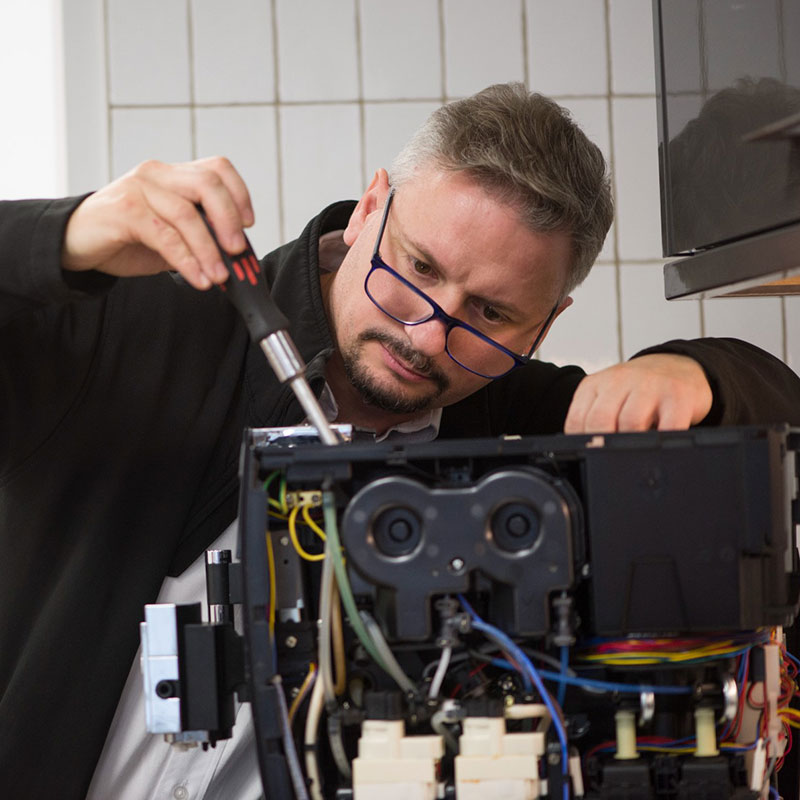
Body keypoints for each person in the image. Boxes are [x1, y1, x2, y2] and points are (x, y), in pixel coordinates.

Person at [2, 82, 799, 799]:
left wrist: (699, 373)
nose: (426, 333)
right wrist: (63, 238)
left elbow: (773, 407)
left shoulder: (515, 420)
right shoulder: (141, 328)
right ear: (369, 208)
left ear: (549, 320)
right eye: (417, 266)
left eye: (490, 314)